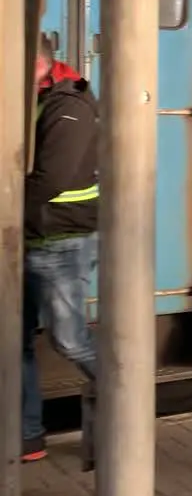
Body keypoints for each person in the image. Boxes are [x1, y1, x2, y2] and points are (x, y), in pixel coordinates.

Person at [21, 34, 100, 462]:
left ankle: (127, 403)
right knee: (13, 344)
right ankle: (27, 438)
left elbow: (53, 179)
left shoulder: (69, 105)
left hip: (62, 240)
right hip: (29, 238)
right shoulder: (33, 98)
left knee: (69, 340)